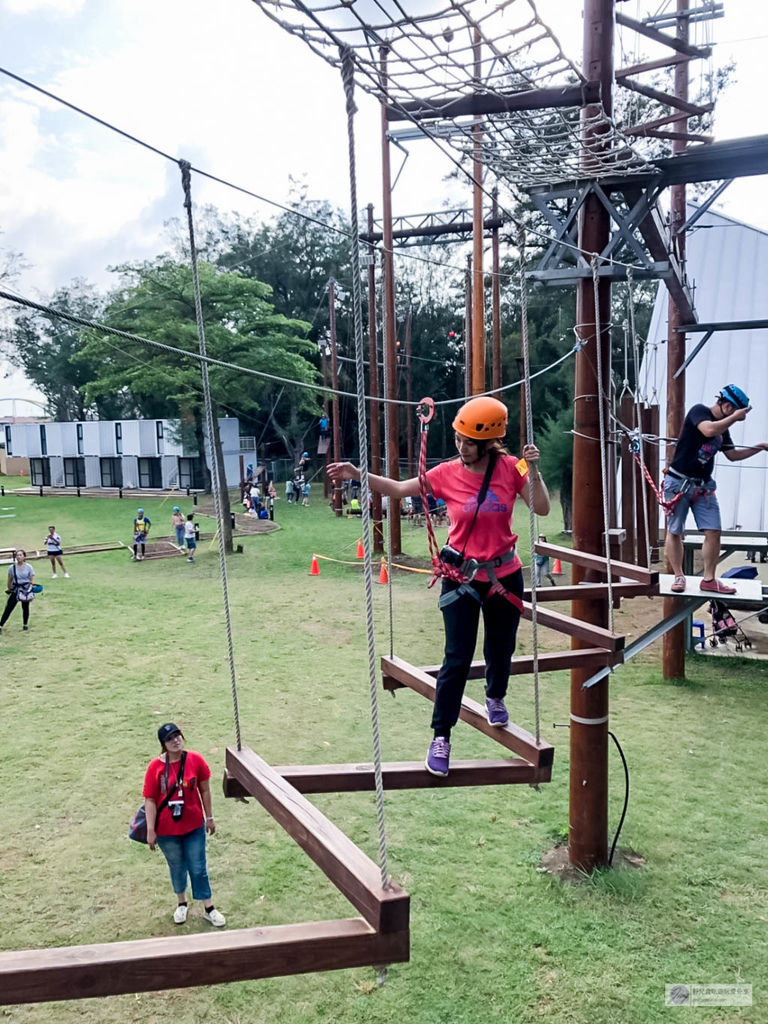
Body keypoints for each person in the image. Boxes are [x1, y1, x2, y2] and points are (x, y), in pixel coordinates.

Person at [328, 395, 550, 777]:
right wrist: (355, 473)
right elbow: (398, 489)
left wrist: (535, 469)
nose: (460, 446)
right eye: (458, 438)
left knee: (501, 648)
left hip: (504, 575)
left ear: (488, 442)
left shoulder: (514, 467)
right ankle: (441, 736)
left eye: (468, 441)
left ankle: (495, 695)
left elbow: (542, 507)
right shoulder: (447, 473)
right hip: (461, 576)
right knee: (456, 659)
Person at [664, 384, 768, 595]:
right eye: (734, 410)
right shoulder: (699, 411)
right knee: (675, 530)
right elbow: (708, 429)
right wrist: (734, 418)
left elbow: (733, 455)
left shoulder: (723, 431)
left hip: (703, 486)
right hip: (678, 482)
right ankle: (678, 576)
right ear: (727, 405)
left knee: (714, 530)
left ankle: (709, 579)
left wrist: (759, 447)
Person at [143, 722, 226, 927]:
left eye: (177, 735)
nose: (175, 740)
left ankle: (209, 907)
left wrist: (210, 817)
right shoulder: (156, 767)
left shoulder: (195, 760)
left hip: (193, 826)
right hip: (166, 830)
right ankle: (181, 903)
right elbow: (150, 800)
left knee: (198, 867)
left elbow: (205, 790)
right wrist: (151, 830)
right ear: (163, 744)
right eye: (170, 738)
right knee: (177, 866)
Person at [1, 549, 35, 634]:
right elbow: (9, 580)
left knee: (25, 607)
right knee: (9, 608)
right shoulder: (12, 568)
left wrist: (30, 589)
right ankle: (1, 625)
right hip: (16, 589)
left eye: (20, 555)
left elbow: (31, 580)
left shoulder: (29, 567)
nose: (18, 557)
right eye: (17, 555)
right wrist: (9, 588)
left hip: (25, 589)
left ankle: (25, 624)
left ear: (24, 557)